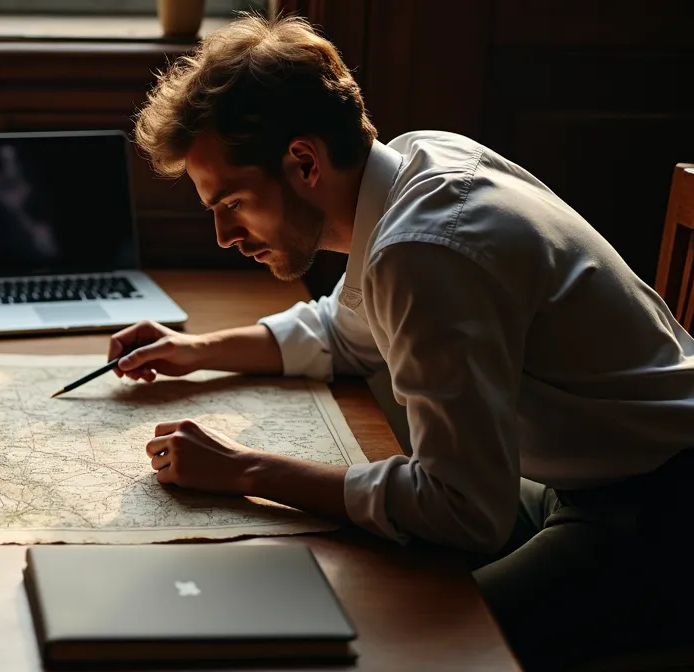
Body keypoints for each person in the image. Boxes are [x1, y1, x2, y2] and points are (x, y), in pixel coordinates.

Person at [112, 14, 694, 670]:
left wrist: (244, 469)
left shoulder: (422, 251)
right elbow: (346, 331)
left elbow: (463, 508)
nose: (224, 234)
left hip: (657, 510)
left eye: (234, 202)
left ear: (303, 161)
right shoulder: (415, 165)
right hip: (573, 474)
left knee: (397, 648)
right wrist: (196, 349)